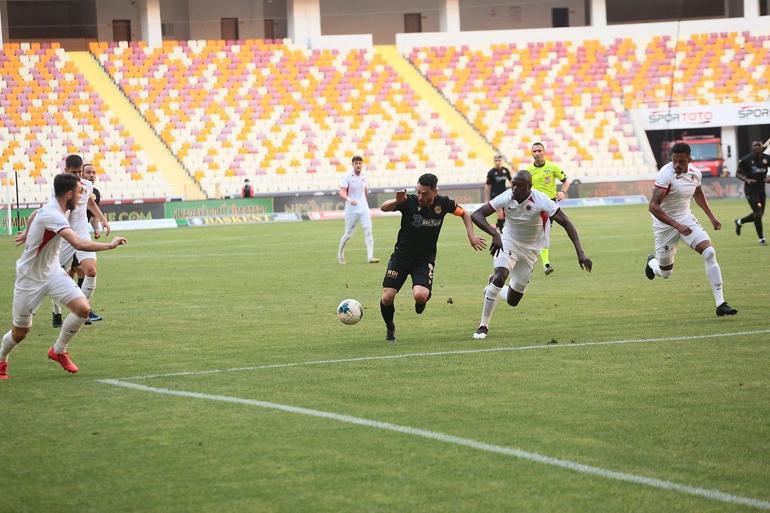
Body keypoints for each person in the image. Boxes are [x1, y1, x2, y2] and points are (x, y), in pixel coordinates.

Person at [0, 173, 127, 380]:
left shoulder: (56, 207)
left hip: (53, 273)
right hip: (29, 278)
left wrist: (27, 231)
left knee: (83, 309)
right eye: (79, 193)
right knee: (20, 333)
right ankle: (2, 359)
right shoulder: (55, 215)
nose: (82, 197)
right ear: (69, 194)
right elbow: (79, 243)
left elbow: (35, 213)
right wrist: (110, 245)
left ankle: (58, 350)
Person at [471, 170, 592, 339]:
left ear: (529, 187)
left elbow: (566, 222)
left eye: (520, 185)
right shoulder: (507, 196)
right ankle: (483, 325)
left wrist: (581, 253)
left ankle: (492, 287)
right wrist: (495, 234)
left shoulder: (540, 199)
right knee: (500, 276)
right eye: (513, 184)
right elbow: (476, 214)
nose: (515, 188)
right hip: (509, 241)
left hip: (531, 251)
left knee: (513, 300)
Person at [379, 173, 486, 342]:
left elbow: (464, 213)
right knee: (387, 297)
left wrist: (471, 235)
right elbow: (383, 208)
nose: (420, 196)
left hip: (424, 260)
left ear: (435, 191)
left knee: (420, 296)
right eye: (418, 191)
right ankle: (390, 327)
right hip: (401, 257)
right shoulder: (409, 201)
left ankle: (422, 298)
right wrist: (396, 201)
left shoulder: (444, 203)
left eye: (425, 193)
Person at [644, 142, 737, 317]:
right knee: (665, 273)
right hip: (664, 225)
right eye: (674, 161)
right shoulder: (665, 175)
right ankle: (651, 262)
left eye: (681, 161)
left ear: (689, 159)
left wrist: (711, 216)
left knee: (709, 252)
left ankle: (721, 304)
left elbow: (698, 193)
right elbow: (653, 207)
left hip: (686, 219)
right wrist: (677, 226)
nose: (677, 165)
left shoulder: (695, 174)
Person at [49, 156, 110, 328]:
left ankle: (81, 312)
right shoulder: (58, 187)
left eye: (79, 172)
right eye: (73, 172)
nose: (77, 175)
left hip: (82, 232)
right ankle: (56, 309)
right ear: (66, 170)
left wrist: (103, 219)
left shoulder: (87, 186)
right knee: (59, 275)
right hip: (65, 234)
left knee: (90, 271)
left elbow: (90, 202)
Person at [526, 142, 571, 275]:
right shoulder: (528, 171)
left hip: (549, 204)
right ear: (531, 153)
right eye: (535, 151)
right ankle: (544, 263)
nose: (537, 153)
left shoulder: (552, 167)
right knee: (537, 233)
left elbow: (566, 180)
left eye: (539, 150)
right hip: (533, 205)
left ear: (544, 152)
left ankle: (542, 262)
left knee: (543, 233)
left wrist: (562, 192)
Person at [337, 155, 379, 264]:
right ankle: (340, 253)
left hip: (363, 208)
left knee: (368, 230)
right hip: (351, 209)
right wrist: (350, 200)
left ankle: (370, 257)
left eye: (360, 163)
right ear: (353, 165)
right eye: (356, 163)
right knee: (348, 235)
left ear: (362, 164)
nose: (358, 165)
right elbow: (341, 191)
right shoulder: (347, 176)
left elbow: (365, 188)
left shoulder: (364, 176)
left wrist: (365, 200)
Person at [734, 139, 770, 246]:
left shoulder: (766, 158)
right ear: (752, 147)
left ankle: (739, 221)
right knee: (758, 213)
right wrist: (747, 180)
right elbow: (737, 174)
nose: (757, 147)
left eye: (759, 145)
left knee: (759, 214)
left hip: (761, 189)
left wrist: (769, 178)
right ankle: (761, 239)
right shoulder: (746, 160)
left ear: (761, 147)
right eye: (755, 146)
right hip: (750, 190)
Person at [485, 153, 512, 233]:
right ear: (494, 161)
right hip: (495, 196)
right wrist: (487, 198)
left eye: (499, 160)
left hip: (505, 195)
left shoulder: (505, 170)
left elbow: (511, 181)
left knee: (505, 215)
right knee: (500, 214)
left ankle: (497, 226)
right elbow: (487, 186)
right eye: (496, 160)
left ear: (501, 161)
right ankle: (500, 229)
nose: (497, 162)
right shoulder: (491, 172)